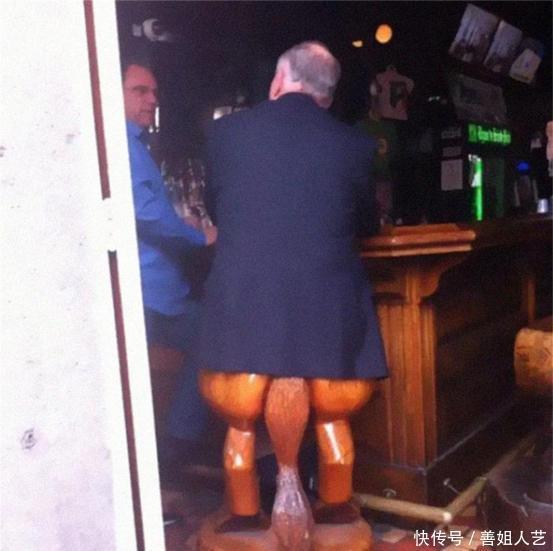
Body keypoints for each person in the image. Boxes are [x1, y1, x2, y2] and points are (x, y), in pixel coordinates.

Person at [197, 41, 388, 535]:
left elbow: (219, 211)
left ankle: (244, 514)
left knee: (240, 422)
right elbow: (367, 224)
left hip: (242, 324)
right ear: (328, 95)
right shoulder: (356, 146)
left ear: (278, 80)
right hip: (330, 334)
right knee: (333, 417)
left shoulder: (224, 134)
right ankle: (337, 509)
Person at [122, 61, 217, 491]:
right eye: (140, 91)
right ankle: (177, 447)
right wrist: (199, 236)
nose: (152, 99)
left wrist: (182, 225)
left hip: (152, 287)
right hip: (148, 289)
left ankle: (175, 448)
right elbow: (146, 216)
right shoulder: (124, 147)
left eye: (154, 91)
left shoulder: (135, 145)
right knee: (211, 332)